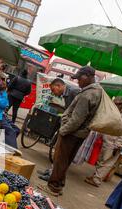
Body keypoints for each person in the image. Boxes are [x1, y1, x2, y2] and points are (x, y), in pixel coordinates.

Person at [38, 66, 102, 197]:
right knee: (65, 161)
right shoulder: (95, 91)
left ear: (88, 77)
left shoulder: (87, 94)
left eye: (80, 78)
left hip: (72, 133)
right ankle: (59, 185)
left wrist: (63, 130)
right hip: (79, 133)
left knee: (61, 160)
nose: (78, 81)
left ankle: (53, 187)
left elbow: (77, 119)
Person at [37, 78, 81, 182]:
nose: (53, 93)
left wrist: (65, 127)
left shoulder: (72, 92)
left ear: (59, 86)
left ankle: (53, 176)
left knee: (62, 154)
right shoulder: (68, 93)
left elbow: (75, 113)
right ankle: (52, 171)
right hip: (68, 126)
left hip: (71, 128)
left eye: (53, 90)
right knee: (58, 151)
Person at [85, 96, 122, 187]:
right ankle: (95, 176)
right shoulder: (116, 112)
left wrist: (118, 145)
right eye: (116, 103)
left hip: (115, 144)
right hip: (108, 141)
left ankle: (96, 180)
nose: (117, 105)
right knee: (102, 160)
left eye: (119, 104)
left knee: (107, 163)